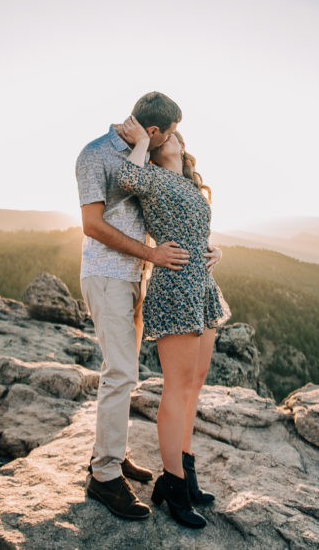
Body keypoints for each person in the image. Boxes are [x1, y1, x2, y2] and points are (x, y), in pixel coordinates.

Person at [75, 92, 220, 521]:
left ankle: (115, 455)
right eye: (171, 133)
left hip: (140, 273)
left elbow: (172, 215)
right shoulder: (96, 155)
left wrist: (202, 249)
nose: (177, 139)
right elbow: (91, 225)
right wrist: (153, 254)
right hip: (107, 274)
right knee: (120, 372)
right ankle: (103, 476)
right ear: (153, 132)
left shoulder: (152, 161)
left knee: (129, 373)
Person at [116, 116, 230, 529]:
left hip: (202, 285)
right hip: (176, 286)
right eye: (158, 133)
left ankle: (186, 473)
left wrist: (216, 251)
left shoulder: (189, 183)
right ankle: (173, 486)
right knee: (177, 388)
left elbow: (199, 230)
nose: (166, 136)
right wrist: (139, 143)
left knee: (195, 382)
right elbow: (126, 176)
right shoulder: (148, 175)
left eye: (169, 133)